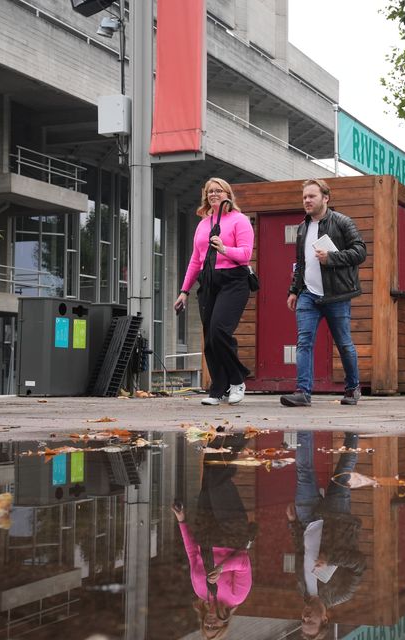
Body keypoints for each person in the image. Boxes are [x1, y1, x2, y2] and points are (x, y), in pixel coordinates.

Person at [281, 179, 367, 408]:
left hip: (337, 294)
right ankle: (303, 392)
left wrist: (332, 258)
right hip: (308, 294)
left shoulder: (342, 222)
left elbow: (360, 252)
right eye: (305, 197)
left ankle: (352, 387)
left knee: (344, 343)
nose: (307, 201)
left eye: (312, 196)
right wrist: (294, 290)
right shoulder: (302, 227)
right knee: (304, 342)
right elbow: (300, 262)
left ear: (325, 198)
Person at [174, 178, 254, 406]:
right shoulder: (203, 224)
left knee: (219, 330)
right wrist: (184, 291)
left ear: (227, 194)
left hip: (234, 281)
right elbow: (195, 260)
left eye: (218, 190)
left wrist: (224, 249)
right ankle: (218, 388)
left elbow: (246, 254)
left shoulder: (240, 220)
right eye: (210, 191)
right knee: (210, 338)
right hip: (208, 282)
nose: (213, 194)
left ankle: (237, 381)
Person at [172, 433, 257, 639]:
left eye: (206, 627)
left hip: (206, 532)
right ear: (224, 625)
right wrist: (221, 569)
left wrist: (182, 521)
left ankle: (220, 437)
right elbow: (244, 563)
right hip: (232, 533)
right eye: (214, 628)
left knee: (210, 475)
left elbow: (193, 555)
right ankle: (240, 434)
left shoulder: (201, 592)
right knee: (219, 482)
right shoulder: (237, 597)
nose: (210, 624)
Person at [287, 431, 366, 639]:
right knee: (344, 469)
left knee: (303, 471)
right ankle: (353, 430)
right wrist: (330, 559)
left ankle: (303, 425)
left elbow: (299, 551)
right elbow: (359, 564)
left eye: (302, 621)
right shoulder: (341, 593)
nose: (305, 617)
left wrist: (293, 524)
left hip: (307, 519)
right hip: (337, 518)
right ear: (324, 619)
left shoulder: (302, 589)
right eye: (310, 621)